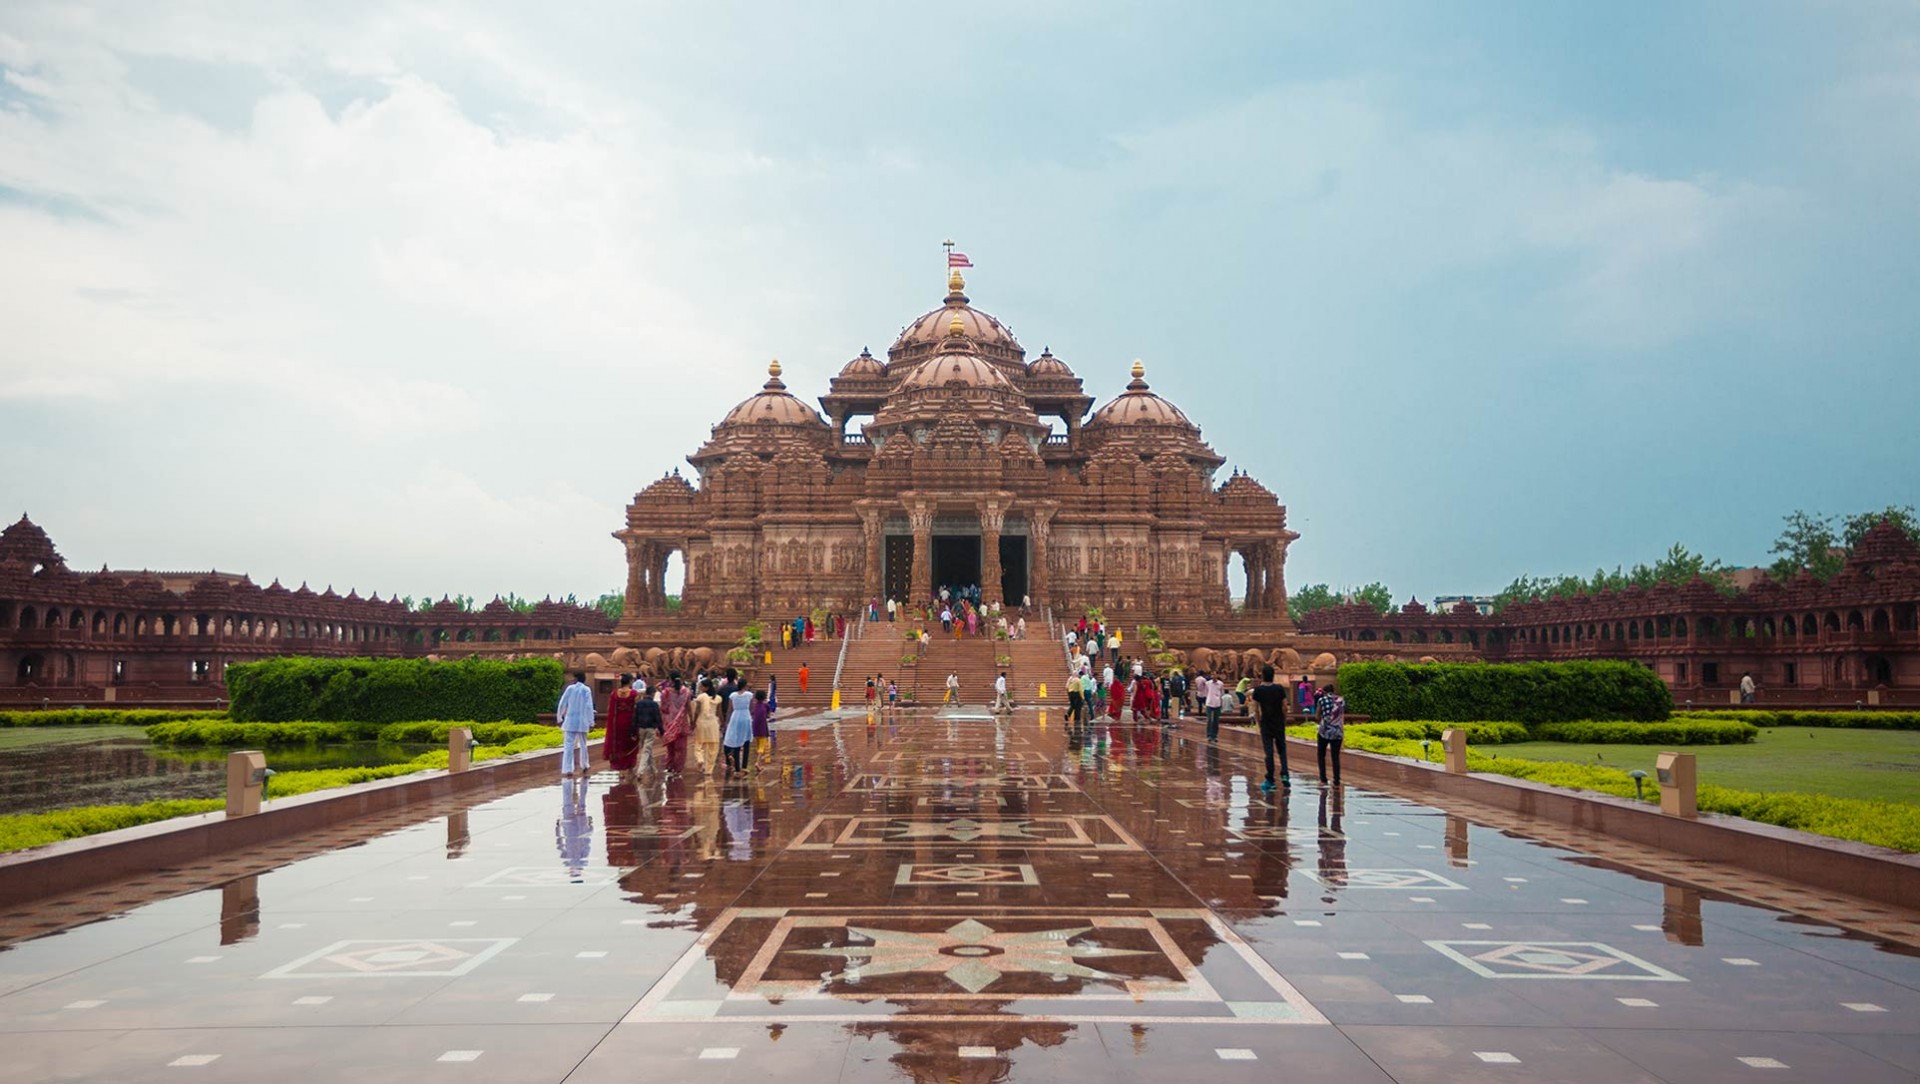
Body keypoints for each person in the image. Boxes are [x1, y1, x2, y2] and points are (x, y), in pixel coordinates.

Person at [1251, 665, 1291, 792]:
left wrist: (1258, 723)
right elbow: (1285, 706)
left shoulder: (1258, 690)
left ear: (1262, 676)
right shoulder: (1279, 689)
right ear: (1273, 675)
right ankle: (1285, 774)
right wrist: (1284, 720)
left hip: (1266, 723)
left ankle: (1270, 779)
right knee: (1282, 750)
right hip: (1278, 722)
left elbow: (1256, 709)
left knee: (1269, 753)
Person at [556, 671, 595, 779]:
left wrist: (560, 716)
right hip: (582, 721)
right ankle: (585, 764)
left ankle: (568, 768)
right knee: (583, 744)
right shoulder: (586, 690)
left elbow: (563, 703)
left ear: (576, 678)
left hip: (570, 720)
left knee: (568, 745)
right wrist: (591, 721)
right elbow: (589, 706)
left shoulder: (570, 689)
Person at [606, 674, 640, 781]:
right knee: (630, 744)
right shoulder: (634, 693)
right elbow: (637, 709)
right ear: (630, 682)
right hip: (630, 722)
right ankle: (630, 769)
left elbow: (610, 709)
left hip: (617, 723)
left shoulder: (615, 693)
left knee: (619, 745)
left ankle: (620, 771)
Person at [1316, 681, 1346, 785]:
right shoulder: (1340, 700)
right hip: (1338, 731)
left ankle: (1323, 779)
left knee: (1321, 755)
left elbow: (1317, 716)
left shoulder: (1322, 700)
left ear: (1324, 692)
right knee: (1335, 756)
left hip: (1325, 731)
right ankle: (1336, 780)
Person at [659, 677, 689, 776]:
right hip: (682, 722)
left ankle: (670, 767)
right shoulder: (687, 692)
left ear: (670, 681)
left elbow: (663, 708)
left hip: (669, 724)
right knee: (681, 748)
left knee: (670, 748)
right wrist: (692, 720)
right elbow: (688, 707)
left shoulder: (665, 693)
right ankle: (678, 769)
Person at [691, 679, 723, 773]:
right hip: (713, 723)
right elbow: (719, 713)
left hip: (702, 722)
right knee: (713, 746)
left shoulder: (701, 697)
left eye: (702, 686)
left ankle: (700, 758)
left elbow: (697, 711)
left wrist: (693, 722)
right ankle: (708, 770)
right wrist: (723, 722)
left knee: (699, 743)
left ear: (707, 687)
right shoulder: (718, 698)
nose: (700, 688)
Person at [723, 680, 754, 775]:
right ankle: (744, 766)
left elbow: (729, 710)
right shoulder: (749, 695)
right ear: (745, 685)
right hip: (745, 717)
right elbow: (751, 708)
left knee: (736, 741)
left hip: (735, 717)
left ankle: (737, 768)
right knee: (746, 742)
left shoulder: (733, 695)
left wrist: (727, 722)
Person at [632, 684, 662, 774]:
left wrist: (633, 732)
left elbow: (635, 718)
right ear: (652, 693)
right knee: (646, 750)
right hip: (650, 729)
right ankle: (640, 771)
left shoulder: (639, 704)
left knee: (647, 749)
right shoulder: (654, 704)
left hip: (641, 729)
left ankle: (653, 769)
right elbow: (658, 718)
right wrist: (661, 730)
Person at [750, 688, 772, 766]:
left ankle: (759, 762)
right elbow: (768, 715)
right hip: (762, 727)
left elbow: (752, 713)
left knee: (758, 744)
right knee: (762, 746)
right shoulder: (766, 705)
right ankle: (757, 762)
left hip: (755, 727)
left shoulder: (755, 706)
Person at [1202, 670, 1224, 741]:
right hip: (1209, 703)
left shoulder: (1220, 684)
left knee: (1216, 720)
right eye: (1212, 675)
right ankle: (1209, 735)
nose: (1213, 676)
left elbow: (1221, 693)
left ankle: (1215, 735)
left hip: (1217, 703)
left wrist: (1221, 702)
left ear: (1217, 675)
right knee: (1209, 720)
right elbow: (1205, 692)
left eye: (1214, 674)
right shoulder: (1208, 683)